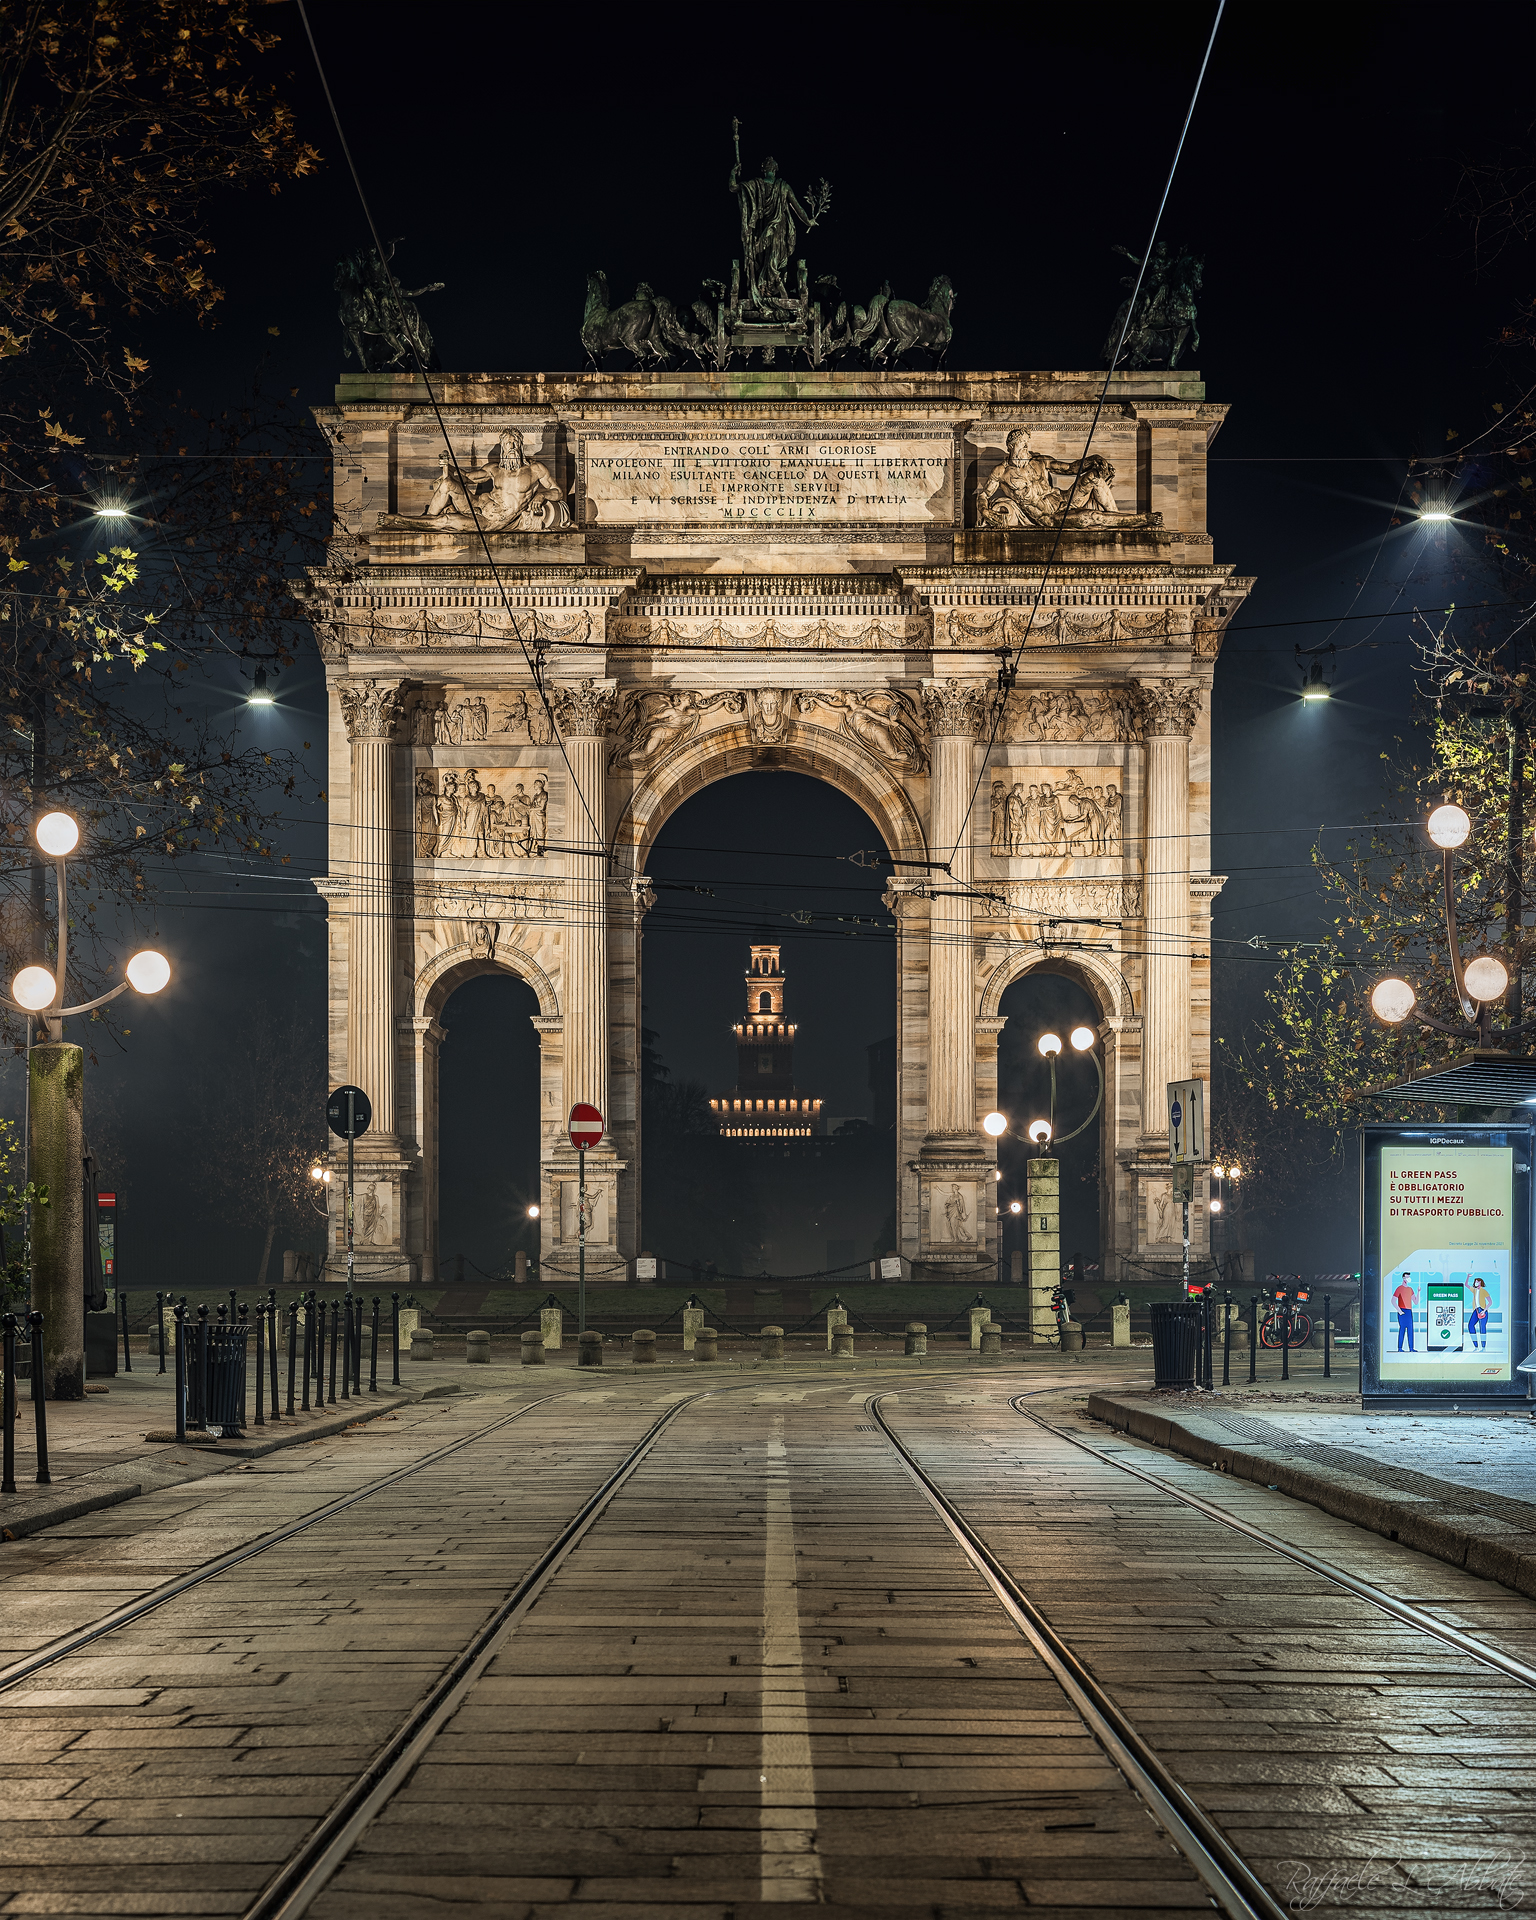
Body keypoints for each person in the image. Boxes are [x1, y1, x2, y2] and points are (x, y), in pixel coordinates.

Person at [1393, 1272, 1417, 1352]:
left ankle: (1411, 1348)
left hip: (1409, 1311)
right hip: (1402, 1310)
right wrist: (1399, 1311)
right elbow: (1393, 1301)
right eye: (1407, 1277)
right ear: (1403, 1278)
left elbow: (1415, 1302)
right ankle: (1400, 1348)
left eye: (1409, 1277)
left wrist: (1419, 1292)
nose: (1408, 1278)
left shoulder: (1410, 1289)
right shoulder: (1399, 1288)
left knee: (1410, 1330)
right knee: (1402, 1329)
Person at [1469, 1276, 1492, 1351]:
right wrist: (1468, 1277)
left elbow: (1490, 1302)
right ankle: (1476, 1345)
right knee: (1470, 1325)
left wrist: (1484, 1310)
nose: (1476, 1283)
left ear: (1480, 1282)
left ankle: (1483, 1347)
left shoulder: (1484, 1291)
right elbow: (1466, 1285)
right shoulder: (1474, 1290)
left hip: (1482, 1310)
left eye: (1477, 1281)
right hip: (1476, 1310)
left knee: (1482, 1328)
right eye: (1475, 1281)